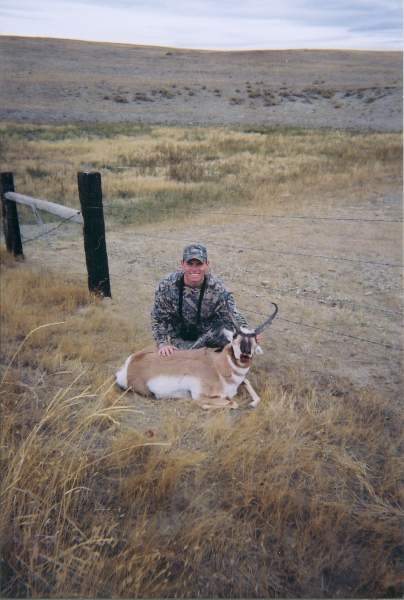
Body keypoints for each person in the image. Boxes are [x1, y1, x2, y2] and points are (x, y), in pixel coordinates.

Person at [151, 243, 250, 357]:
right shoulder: (166, 285)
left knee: (230, 332)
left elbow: (232, 313)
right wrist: (163, 343)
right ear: (182, 264)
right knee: (177, 360)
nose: (194, 269)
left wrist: (246, 333)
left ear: (207, 265)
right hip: (178, 335)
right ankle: (189, 352)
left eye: (199, 264)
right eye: (190, 264)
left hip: (207, 334)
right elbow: (158, 317)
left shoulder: (218, 288)